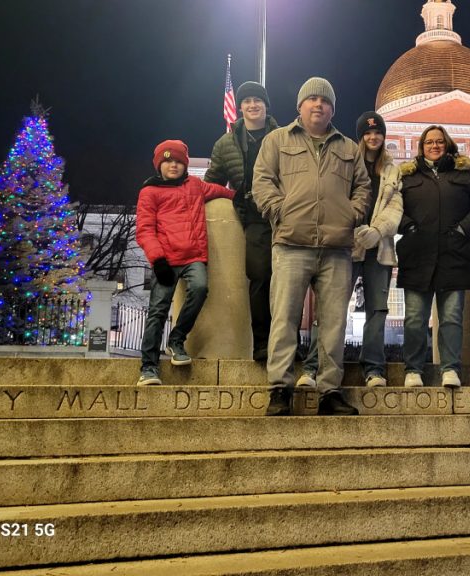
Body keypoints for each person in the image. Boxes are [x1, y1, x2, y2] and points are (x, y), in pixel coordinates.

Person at [252, 77, 371, 416]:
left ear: (332, 108)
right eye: (312, 99)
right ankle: (280, 388)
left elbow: (363, 188)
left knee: (334, 323)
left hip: (336, 247)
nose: (318, 104)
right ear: (300, 106)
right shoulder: (277, 140)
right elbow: (262, 181)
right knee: (284, 319)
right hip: (291, 244)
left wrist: (351, 214)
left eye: (325, 100)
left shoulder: (349, 147)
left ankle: (330, 391)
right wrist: (280, 211)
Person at [300, 111, 403, 387]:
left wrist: (377, 231)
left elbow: (396, 207)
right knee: (331, 309)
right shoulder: (345, 162)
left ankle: (374, 369)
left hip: (379, 249)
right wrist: (356, 229)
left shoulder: (392, 170)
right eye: (368, 133)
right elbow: (334, 198)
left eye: (378, 132)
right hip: (345, 246)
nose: (373, 137)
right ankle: (313, 367)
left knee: (378, 310)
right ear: (360, 137)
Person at [136, 140, 234, 385]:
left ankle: (177, 339)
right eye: (168, 160)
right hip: (166, 261)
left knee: (200, 289)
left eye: (178, 161)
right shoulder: (149, 192)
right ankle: (148, 367)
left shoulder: (195, 186)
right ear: (159, 165)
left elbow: (222, 192)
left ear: (185, 165)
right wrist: (158, 261)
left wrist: (242, 198)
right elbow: (145, 230)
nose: (173, 165)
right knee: (158, 311)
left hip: (193, 258)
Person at [397, 125, 470, 387]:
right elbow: (391, 206)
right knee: (415, 318)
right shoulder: (407, 177)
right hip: (417, 254)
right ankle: (413, 370)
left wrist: (462, 229)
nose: (435, 146)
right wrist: (408, 227)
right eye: (429, 142)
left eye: (440, 141)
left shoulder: (465, 175)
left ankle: (450, 368)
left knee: (451, 318)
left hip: (453, 255)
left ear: (448, 145)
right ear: (421, 147)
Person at [204, 81, 280, 363]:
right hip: (253, 219)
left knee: (288, 282)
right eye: (246, 101)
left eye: (257, 100)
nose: (252, 105)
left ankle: (289, 343)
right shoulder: (226, 144)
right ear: (240, 107)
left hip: (284, 217)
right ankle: (262, 343)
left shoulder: (283, 136)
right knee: (259, 276)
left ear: (265, 105)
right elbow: (211, 183)